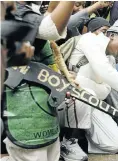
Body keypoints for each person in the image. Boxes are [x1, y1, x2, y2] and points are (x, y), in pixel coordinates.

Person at [58, 17, 118, 161]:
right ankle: (68, 140)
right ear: (111, 35)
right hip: (65, 99)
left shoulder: (110, 60)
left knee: (115, 144)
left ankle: (82, 139)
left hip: (91, 103)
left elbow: (104, 92)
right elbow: (104, 72)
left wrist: (79, 80)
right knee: (85, 93)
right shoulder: (90, 39)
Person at [2, 2, 74, 161]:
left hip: (39, 106)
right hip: (20, 106)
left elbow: (49, 61)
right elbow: (50, 29)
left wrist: (61, 85)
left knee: (48, 151)